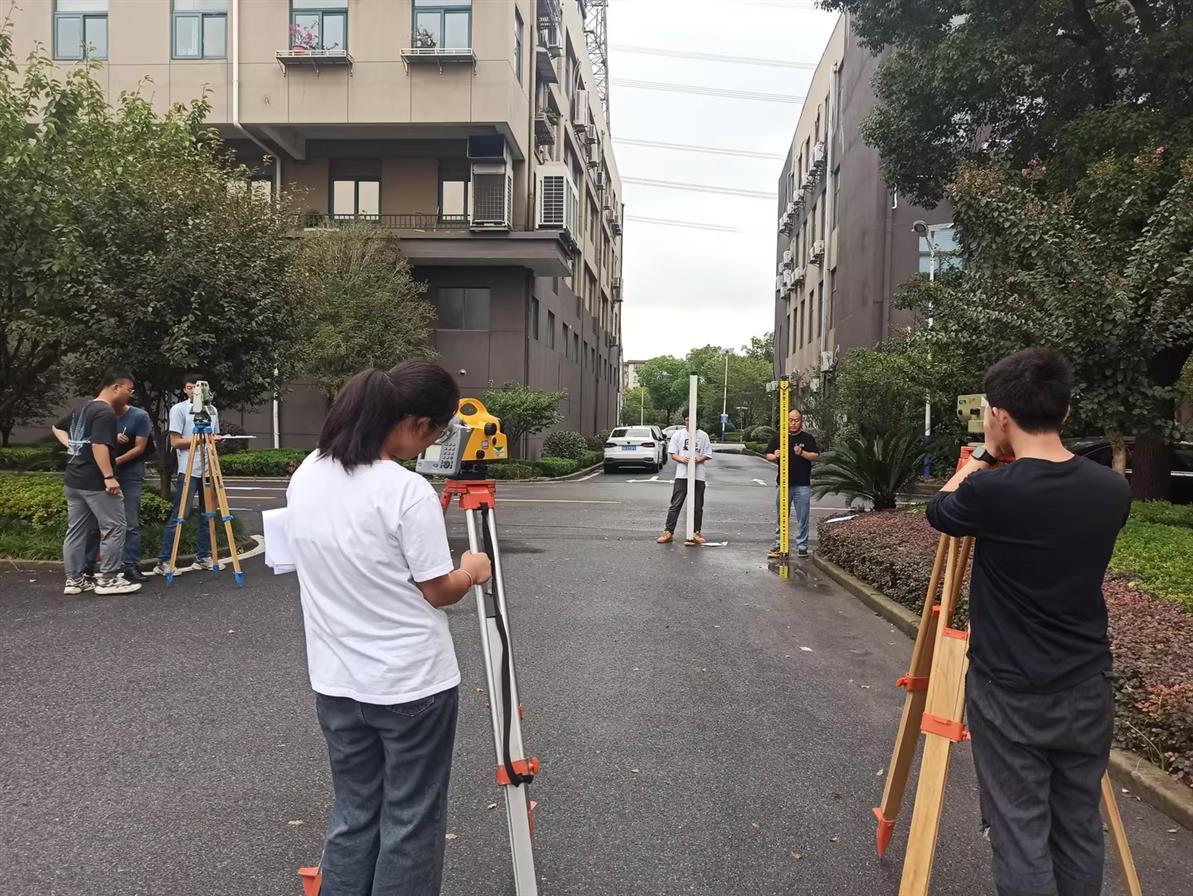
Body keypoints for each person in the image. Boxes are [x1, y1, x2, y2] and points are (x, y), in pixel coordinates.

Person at [926, 348, 1131, 896]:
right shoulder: (1112, 490)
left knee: (1020, 829)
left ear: (999, 414)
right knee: (1078, 826)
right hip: (1088, 683)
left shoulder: (993, 491)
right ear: (1065, 412)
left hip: (1009, 690)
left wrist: (986, 456)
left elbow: (940, 511)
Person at [286, 361, 492, 896]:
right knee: (411, 821)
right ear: (417, 423)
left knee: (355, 812)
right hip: (411, 684)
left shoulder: (308, 471)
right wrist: (471, 570)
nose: (434, 443)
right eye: (439, 431)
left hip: (336, 682)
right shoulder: (406, 490)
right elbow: (437, 589)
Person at [50, 370, 142, 596]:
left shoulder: (84, 407)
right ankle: (108, 579)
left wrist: (71, 445)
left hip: (74, 479)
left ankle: (74, 580)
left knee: (76, 531)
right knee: (115, 526)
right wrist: (109, 477)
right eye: (129, 390)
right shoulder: (105, 412)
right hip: (96, 482)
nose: (129, 395)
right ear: (116, 388)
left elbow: (57, 427)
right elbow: (99, 445)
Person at [154, 374, 219, 575]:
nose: (194, 391)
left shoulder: (212, 410)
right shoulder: (179, 409)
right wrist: (200, 440)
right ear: (185, 389)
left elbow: (213, 436)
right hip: (188, 468)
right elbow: (175, 442)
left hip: (209, 467)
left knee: (208, 514)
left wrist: (215, 439)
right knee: (181, 514)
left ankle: (204, 556)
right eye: (190, 387)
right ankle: (164, 561)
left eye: (198, 387)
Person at [84, 400, 152, 583]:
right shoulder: (99, 414)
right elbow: (90, 442)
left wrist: (114, 462)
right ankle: (87, 565)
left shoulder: (139, 416)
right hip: (100, 475)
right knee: (93, 522)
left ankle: (130, 565)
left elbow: (139, 448)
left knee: (131, 521)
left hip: (129, 474)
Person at [766, 409, 820, 559]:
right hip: (783, 484)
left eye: (796, 420)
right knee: (781, 516)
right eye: (791, 420)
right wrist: (775, 455)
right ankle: (779, 544)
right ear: (786, 420)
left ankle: (802, 546)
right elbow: (768, 454)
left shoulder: (807, 438)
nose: (793, 422)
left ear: (801, 422)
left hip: (802, 484)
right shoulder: (779, 437)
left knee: (803, 517)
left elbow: (815, 456)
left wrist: (802, 453)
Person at [656, 409, 712, 545]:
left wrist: (698, 459)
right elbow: (673, 453)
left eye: (692, 420)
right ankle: (668, 532)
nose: (689, 422)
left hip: (698, 475)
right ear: (684, 421)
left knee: (698, 505)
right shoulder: (678, 435)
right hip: (682, 475)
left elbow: (707, 454)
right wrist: (682, 459)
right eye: (687, 420)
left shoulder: (703, 436)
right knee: (676, 504)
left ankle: (696, 532)